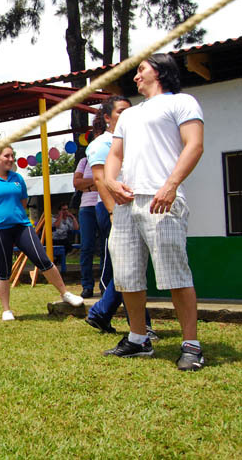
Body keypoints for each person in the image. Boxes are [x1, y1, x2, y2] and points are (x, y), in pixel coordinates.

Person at [104, 54, 205, 371]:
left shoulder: (183, 103)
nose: (136, 76)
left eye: (141, 70)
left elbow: (194, 145)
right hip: (125, 202)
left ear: (160, 71)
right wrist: (110, 182)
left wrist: (171, 185)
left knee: (175, 272)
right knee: (127, 275)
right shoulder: (129, 116)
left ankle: (191, 345)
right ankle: (137, 338)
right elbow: (115, 155)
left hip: (162, 198)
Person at [0, 146, 84, 321]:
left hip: (22, 226)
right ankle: (6, 310)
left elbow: (23, 202)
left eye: (12, 156)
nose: (11, 159)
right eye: (7, 156)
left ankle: (65, 293)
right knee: (4, 269)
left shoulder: (17, 178)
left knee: (43, 259)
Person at [84, 96, 155, 338]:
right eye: (120, 111)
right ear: (107, 117)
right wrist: (113, 211)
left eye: (129, 110)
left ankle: (102, 313)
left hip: (132, 206)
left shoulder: (128, 140)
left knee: (133, 265)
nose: (127, 115)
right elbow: (100, 179)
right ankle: (138, 325)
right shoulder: (102, 144)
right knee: (126, 265)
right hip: (114, 209)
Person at [73, 128, 103, 298]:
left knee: (105, 247)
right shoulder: (84, 161)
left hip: (105, 204)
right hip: (86, 208)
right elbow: (76, 183)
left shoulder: (109, 158)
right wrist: (97, 182)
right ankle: (87, 286)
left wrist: (89, 185)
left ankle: (105, 285)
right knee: (87, 247)